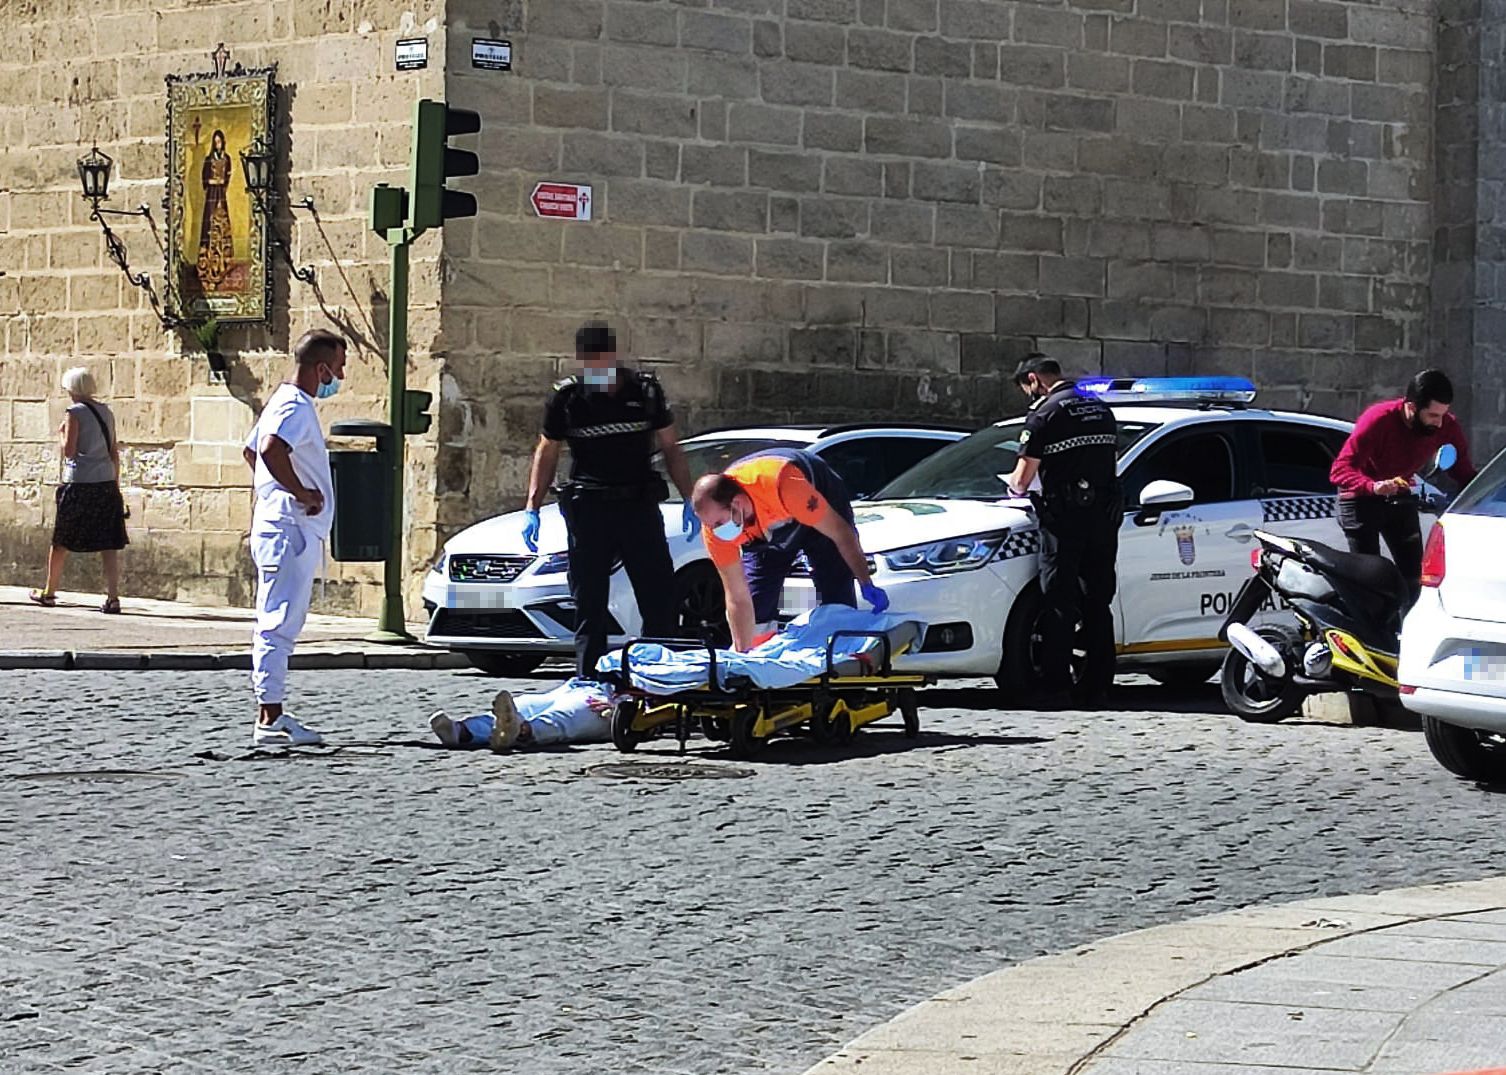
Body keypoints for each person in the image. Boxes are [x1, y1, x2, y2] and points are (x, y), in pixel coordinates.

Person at [523, 321, 697, 679]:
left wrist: (691, 498)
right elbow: (548, 450)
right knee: (589, 602)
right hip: (590, 510)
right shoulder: (568, 397)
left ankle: (659, 676)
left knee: (659, 596)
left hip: (638, 507)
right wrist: (532, 507)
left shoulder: (645, 392)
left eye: (599, 360)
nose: (593, 369)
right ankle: (589, 680)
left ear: (613, 356)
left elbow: (671, 448)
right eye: (587, 362)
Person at [241, 329, 347, 748]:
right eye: (338, 368)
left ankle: (272, 711)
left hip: (280, 524)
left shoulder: (280, 402)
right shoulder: (296, 407)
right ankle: (270, 717)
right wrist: (300, 492)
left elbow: (251, 451)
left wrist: (271, 490)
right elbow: (268, 450)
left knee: (280, 617)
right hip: (290, 529)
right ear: (321, 368)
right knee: (279, 621)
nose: (339, 377)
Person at [1004, 354, 1122, 709]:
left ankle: (1056, 685)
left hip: (1064, 517)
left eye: (1027, 388)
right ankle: (1098, 684)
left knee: (1059, 599)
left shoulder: (1045, 414)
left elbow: (1022, 479)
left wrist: (1012, 492)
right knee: (1098, 601)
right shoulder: (1100, 408)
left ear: (1033, 379)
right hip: (1103, 516)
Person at [690, 449, 889, 652]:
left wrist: (865, 581)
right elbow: (736, 596)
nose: (716, 530)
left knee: (835, 582)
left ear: (737, 504)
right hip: (765, 529)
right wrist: (742, 660)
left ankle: (841, 655)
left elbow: (841, 534)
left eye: (719, 523)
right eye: (710, 525)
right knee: (757, 601)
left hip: (815, 500)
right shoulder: (715, 530)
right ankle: (761, 662)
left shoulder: (786, 486)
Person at [1330, 369, 1477, 600]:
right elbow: (1340, 470)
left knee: (1415, 580)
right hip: (1360, 498)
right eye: (1432, 416)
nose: (1438, 424)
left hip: (1398, 496)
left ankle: (1406, 630)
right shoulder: (1379, 419)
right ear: (1411, 406)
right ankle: (1369, 632)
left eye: (1442, 415)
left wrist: (1487, 494)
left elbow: (1463, 471)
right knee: (1370, 582)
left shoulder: (1446, 425)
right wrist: (1373, 486)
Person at [28, 367, 128, 613]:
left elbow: (70, 450)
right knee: (108, 542)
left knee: (61, 540)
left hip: (79, 482)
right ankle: (113, 598)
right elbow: (113, 451)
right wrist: (116, 484)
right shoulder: (106, 412)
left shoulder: (74, 412)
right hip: (105, 483)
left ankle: (49, 592)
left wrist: (61, 434)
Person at [429, 681, 619, 752]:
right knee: (525, 704)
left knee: (564, 717)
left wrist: (621, 708)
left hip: (613, 700)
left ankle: (520, 731)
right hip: (580, 685)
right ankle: (461, 732)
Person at [197, 129, 235, 290]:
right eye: (215, 142)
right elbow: (204, 177)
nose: (218, 145)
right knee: (209, 223)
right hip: (212, 192)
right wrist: (210, 181)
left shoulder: (226, 158)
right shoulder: (208, 159)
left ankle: (223, 259)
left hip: (220, 192)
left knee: (222, 221)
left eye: (220, 142)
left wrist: (222, 182)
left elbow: (227, 176)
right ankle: (206, 261)